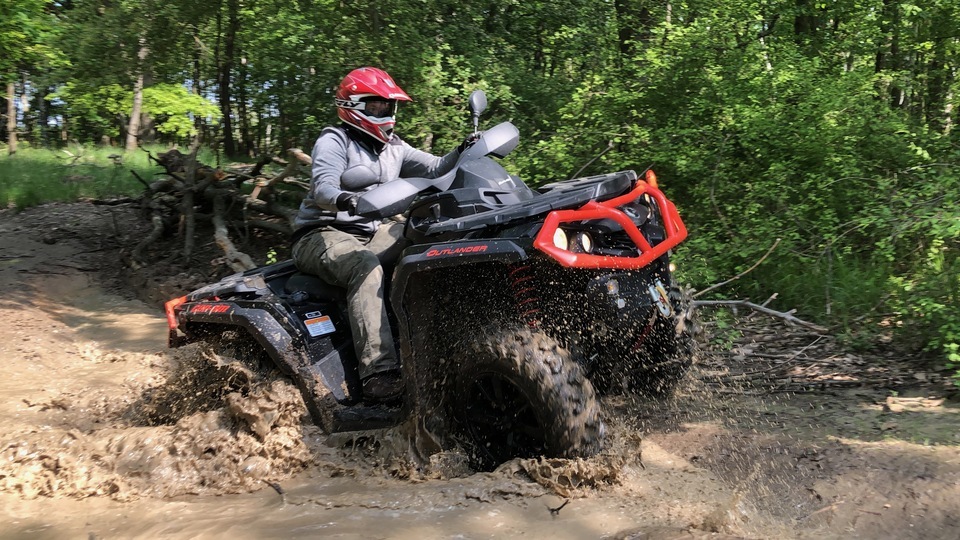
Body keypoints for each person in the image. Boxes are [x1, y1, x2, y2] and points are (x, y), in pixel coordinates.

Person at [291, 67, 477, 402]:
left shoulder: (394, 146)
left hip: (373, 229)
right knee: (365, 266)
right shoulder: (334, 140)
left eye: (388, 106)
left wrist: (465, 149)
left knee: (431, 237)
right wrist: (348, 198)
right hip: (321, 232)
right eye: (376, 105)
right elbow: (323, 189)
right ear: (355, 105)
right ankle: (378, 373)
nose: (385, 113)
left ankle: (447, 341)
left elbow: (436, 167)